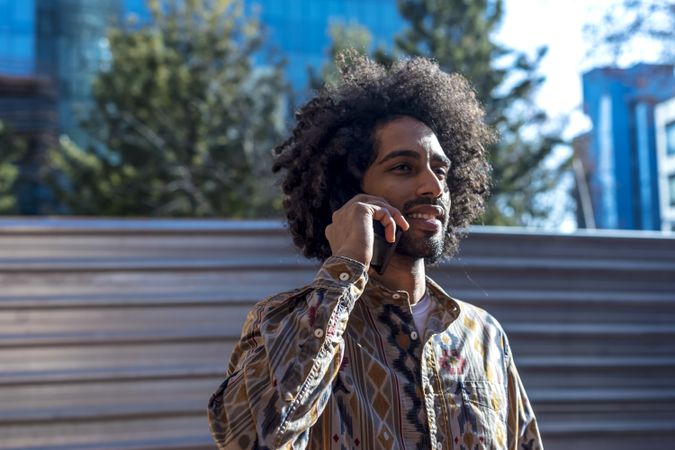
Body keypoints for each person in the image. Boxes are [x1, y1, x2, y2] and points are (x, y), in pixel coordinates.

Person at [207, 54, 543, 450]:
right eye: (403, 167)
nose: (433, 187)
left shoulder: (484, 335)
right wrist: (344, 270)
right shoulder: (282, 323)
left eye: (441, 170)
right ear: (351, 193)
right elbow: (250, 439)